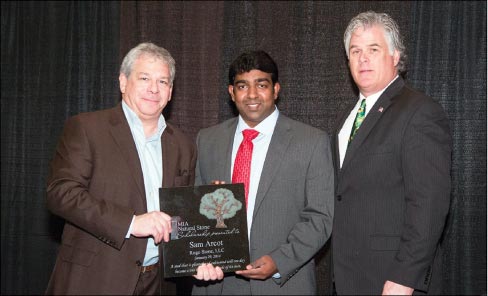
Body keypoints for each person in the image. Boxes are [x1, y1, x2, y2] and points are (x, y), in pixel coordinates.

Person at [45, 42, 198, 295]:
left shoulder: (184, 145)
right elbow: (61, 193)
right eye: (145, 78)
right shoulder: (87, 128)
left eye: (162, 82)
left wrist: (198, 259)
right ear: (123, 82)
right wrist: (131, 223)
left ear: (170, 92)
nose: (153, 88)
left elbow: (182, 218)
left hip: (159, 284)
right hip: (96, 279)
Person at [191, 50, 334, 295]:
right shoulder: (207, 140)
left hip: (282, 283)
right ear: (231, 92)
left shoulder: (311, 142)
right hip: (216, 285)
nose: (252, 95)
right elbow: (193, 214)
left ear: (276, 90)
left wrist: (280, 261)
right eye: (242, 86)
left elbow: (320, 217)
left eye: (262, 85)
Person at [331, 11, 452, 295]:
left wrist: (405, 277)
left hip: (392, 281)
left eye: (373, 49)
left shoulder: (420, 112)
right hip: (348, 277)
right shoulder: (345, 120)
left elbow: (429, 203)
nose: (363, 58)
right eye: (355, 51)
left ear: (395, 56)